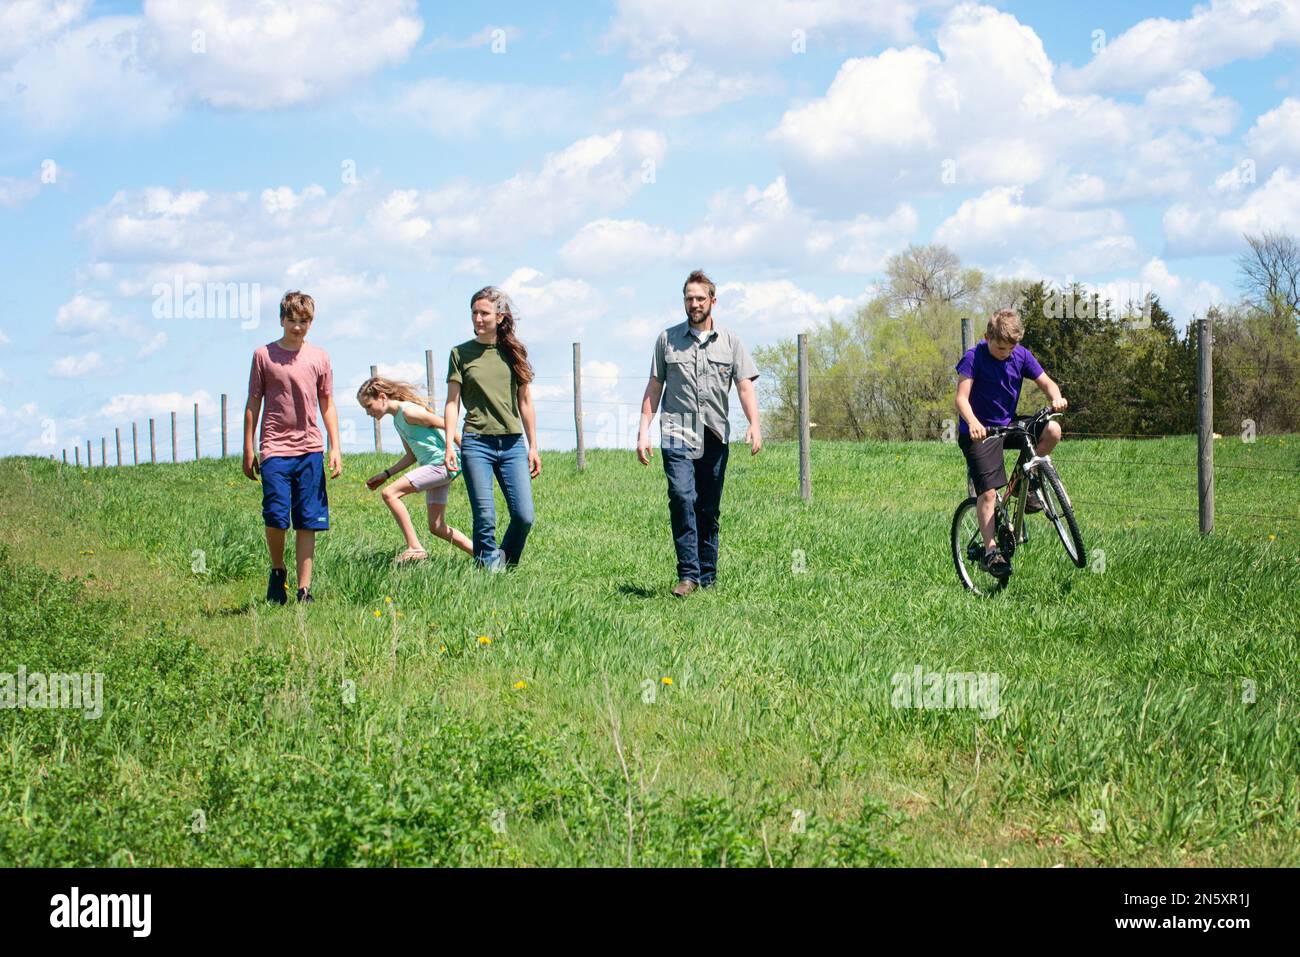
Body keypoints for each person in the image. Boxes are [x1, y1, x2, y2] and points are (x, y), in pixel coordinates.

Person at [637, 269, 761, 597]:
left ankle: (707, 577)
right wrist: (643, 431)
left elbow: (744, 386)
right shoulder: (667, 339)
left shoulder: (731, 341)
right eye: (689, 298)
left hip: (715, 433)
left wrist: (755, 424)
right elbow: (654, 386)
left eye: (700, 298)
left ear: (712, 301)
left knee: (707, 507)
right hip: (677, 430)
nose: (694, 304)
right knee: (681, 497)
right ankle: (687, 575)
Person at [242, 290, 341, 604]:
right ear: (281, 320)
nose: (297, 327)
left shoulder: (319, 357)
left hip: (310, 448)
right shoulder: (264, 355)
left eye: (304, 321)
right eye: (292, 320)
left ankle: (304, 589)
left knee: (308, 518)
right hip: (274, 448)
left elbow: (327, 402)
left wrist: (335, 446)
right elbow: (253, 401)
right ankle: (277, 571)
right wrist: (248, 447)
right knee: (275, 515)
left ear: (310, 323)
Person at [954, 308, 1067, 579]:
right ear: (987, 337)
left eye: (1011, 347)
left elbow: (1046, 382)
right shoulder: (974, 357)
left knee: (1052, 430)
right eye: (1000, 347)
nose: (1006, 352)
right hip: (979, 431)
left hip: (1007, 425)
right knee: (989, 493)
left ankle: (1026, 484)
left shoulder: (1020, 354)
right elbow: (961, 398)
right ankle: (992, 551)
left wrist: (1056, 398)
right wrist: (973, 423)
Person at [443, 287, 540, 570]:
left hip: (512, 444)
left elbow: (525, 401)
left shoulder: (514, 352)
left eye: (484, 313)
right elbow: (452, 402)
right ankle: (489, 572)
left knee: (524, 516)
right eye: (474, 313)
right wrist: (450, 443)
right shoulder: (460, 353)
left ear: (499, 317)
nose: (478, 318)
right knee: (485, 517)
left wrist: (533, 445)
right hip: (476, 443)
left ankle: (505, 562)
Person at [357, 376, 472, 563]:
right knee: (437, 526)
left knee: (390, 494)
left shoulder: (409, 412)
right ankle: (485, 557)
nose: (368, 412)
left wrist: (467, 455)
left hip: (441, 464)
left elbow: (446, 424)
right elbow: (411, 456)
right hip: (435, 466)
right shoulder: (398, 420)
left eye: (368, 406)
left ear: (382, 397)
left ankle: (415, 547)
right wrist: (385, 474)